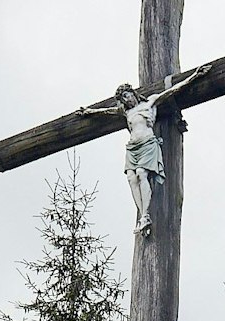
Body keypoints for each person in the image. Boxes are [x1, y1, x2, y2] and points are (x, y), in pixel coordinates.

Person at [77, 65, 210, 235]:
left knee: (141, 173)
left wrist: (194, 76)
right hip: (132, 147)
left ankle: (146, 214)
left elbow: (173, 90)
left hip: (147, 143)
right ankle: (143, 216)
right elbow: (104, 112)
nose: (126, 100)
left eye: (127, 95)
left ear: (132, 93)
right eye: (123, 99)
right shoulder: (126, 112)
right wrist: (88, 111)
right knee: (132, 178)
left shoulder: (150, 102)